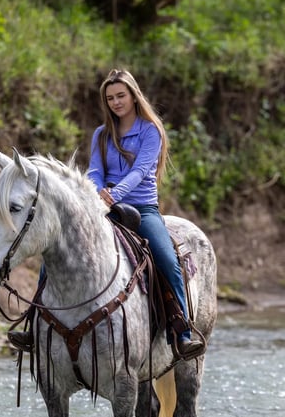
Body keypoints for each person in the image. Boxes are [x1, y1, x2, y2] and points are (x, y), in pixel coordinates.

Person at [86, 68, 204, 358]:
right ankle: (35, 322)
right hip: (107, 208)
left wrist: (115, 193)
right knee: (60, 247)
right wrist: (100, 192)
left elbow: (140, 171)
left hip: (142, 209)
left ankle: (182, 332)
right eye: (110, 98)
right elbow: (94, 170)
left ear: (134, 96)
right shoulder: (101, 135)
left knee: (167, 259)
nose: (116, 102)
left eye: (121, 95)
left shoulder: (151, 131)